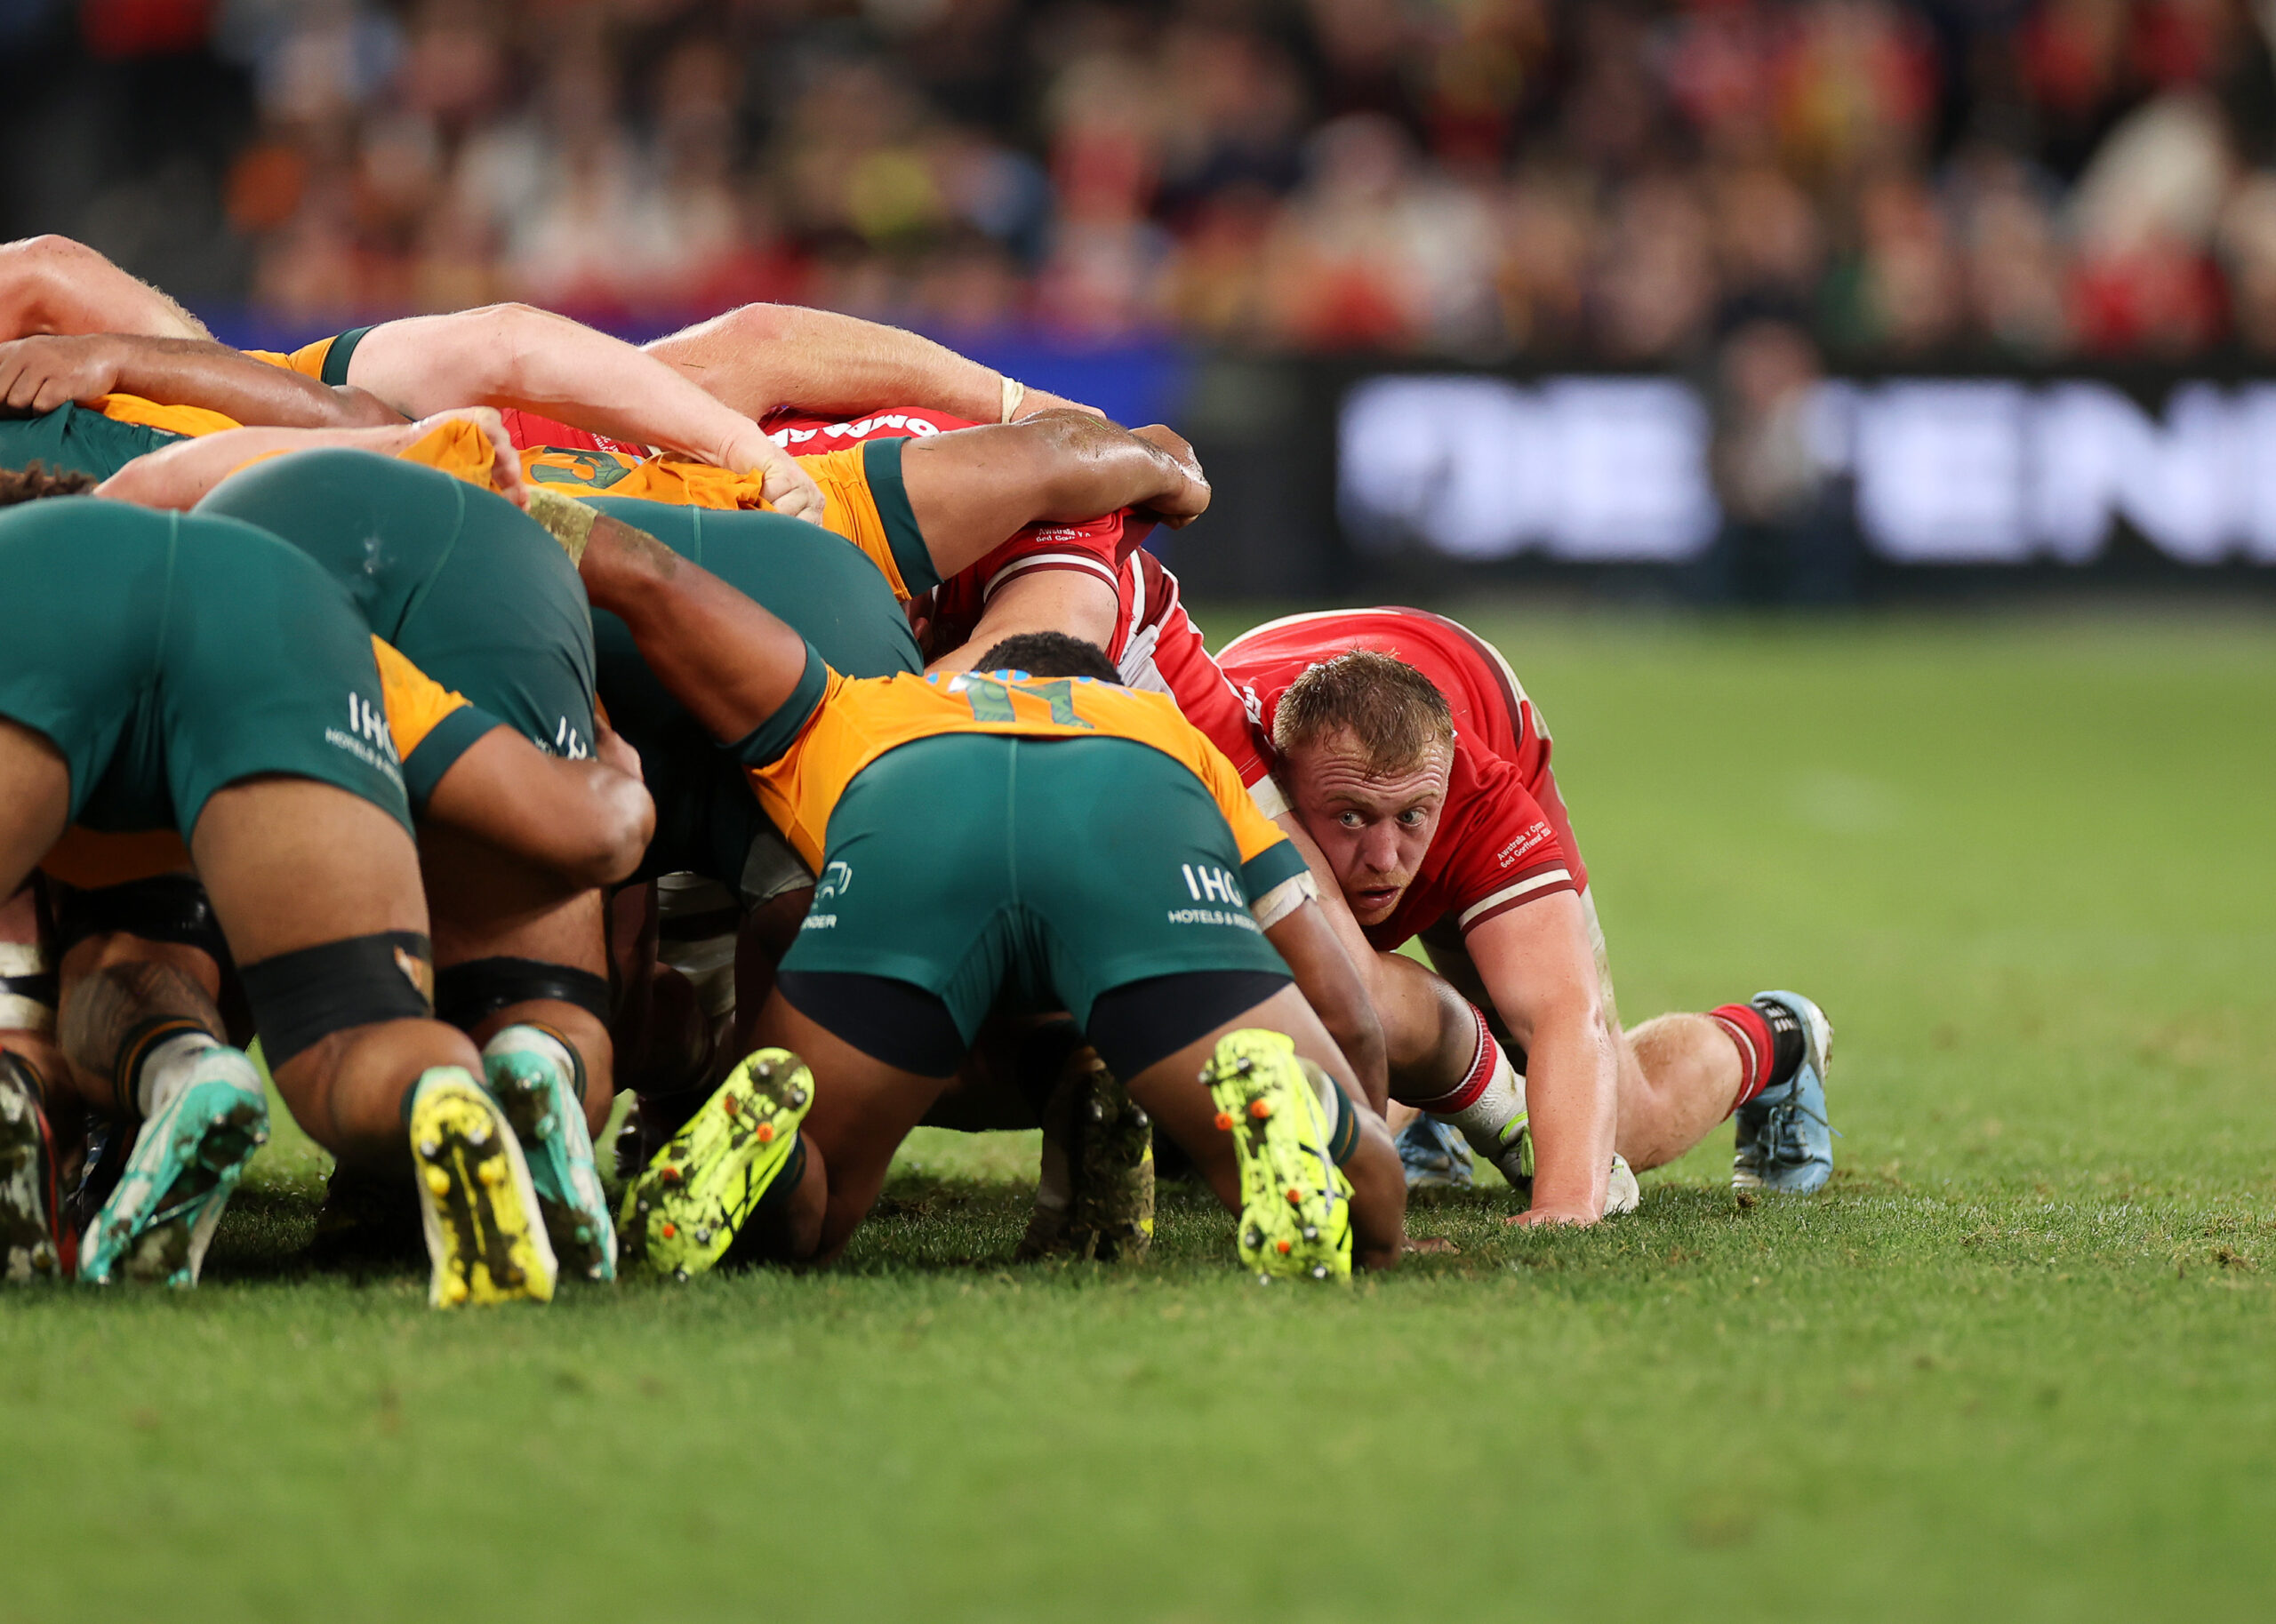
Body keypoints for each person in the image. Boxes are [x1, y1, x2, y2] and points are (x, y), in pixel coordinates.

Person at [549, 499, 1406, 1280]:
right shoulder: (1163, 730)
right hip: (1128, 816)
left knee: (809, 1222)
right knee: (1365, 1207)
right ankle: (1311, 1119)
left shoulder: (881, 703)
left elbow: (659, 580)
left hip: (915, 811)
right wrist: (1371, 1126)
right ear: (1094, 689)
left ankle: (771, 1154)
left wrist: (523, 505)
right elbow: (1343, 1001)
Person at [8, 422, 652, 1287]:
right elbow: (592, 834)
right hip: (286, 612)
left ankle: (184, 1072)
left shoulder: (37, 577)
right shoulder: (282, 586)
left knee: (122, 952)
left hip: (125, 615)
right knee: (350, 1038)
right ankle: (442, 1092)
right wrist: (620, 775)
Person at [1214, 612, 1835, 1217]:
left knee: (1617, 1124)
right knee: (1310, 993)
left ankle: (1780, 1037)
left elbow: (1564, 1014)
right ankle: (1435, 1113)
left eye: (1409, 817)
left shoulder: (1478, 794)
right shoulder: (1223, 772)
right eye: (1350, 815)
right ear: (1287, 783)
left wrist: (1565, 1204)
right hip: (1283, 697)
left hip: (1475, 695)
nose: (1383, 858)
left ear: (1443, 781)